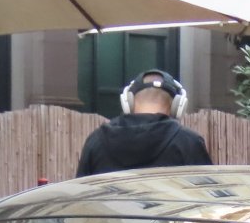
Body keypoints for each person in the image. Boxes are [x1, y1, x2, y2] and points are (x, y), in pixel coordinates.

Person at [76, 69, 212, 177]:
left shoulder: (96, 140)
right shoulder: (189, 143)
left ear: (128, 102)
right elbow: (208, 201)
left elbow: (78, 201)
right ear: (178, 106)